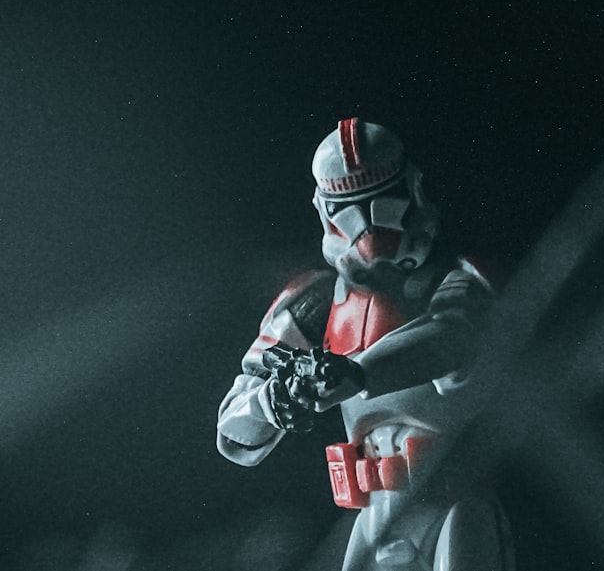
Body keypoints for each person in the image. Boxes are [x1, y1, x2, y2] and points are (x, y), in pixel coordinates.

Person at [216, 118, 512, 571]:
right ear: (325, 209)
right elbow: (235, 432)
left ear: (412, 189)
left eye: (383, 202)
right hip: (375, 510)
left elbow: (451, 340)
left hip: (453, 494)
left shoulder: (456, 278)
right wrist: (272, 401)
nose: (369, 227)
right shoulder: (314, 304)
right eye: (348, 209)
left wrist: (357, 373)